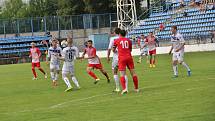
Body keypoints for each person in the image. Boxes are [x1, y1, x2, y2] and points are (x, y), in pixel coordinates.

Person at [113, 30, 139, 95]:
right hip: (129, 57)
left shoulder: (116, 40)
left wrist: (117, 50)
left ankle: (124, 89)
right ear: (125, 34)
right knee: (133, 73)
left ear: (119, 34)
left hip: (121, 58)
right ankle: (136, 88)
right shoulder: (129, 40)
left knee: (122, 74)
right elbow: (130, 50)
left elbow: (113, 49)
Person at [107, 28, 128, 92]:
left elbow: (109, 48)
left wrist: (108, 56)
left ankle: (118, 88)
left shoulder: (112, 39)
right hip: (124, 57)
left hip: (116, 58)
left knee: (115, 72)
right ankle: (126, 88)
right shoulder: (124, 38)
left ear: (115, 32)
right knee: (124, 73)